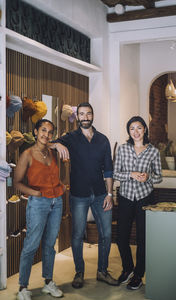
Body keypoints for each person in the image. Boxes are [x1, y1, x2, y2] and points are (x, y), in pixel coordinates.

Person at [52, 102, 119, 289]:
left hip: (100, 194)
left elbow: (108, 169)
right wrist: (57, 144)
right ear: (77, 117)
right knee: (77, 234)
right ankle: (79, 272)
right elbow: (47, 143)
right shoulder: (70, 138)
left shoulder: (103, 140)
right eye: (81, 114)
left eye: (88, 114)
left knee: (106, 234)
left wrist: (109, 193)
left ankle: (102, 271)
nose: (85, 117)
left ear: (92, 115)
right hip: (78, 194)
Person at [14, 119, 65, 300]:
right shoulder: (27, 154)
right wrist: (34, 192)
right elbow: (17, 182)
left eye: (50, 132)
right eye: (43, 130)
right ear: (36, 131)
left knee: (50, 245)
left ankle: (48, 282)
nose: (46, 135)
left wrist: (62, 186)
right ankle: (22, 287)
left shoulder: (52, 153)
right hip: (38, 203)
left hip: (56, 202)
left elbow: (55, 173)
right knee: (31, 245)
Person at [113, 116, 162, 290]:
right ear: (128, 131)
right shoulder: (123, 149)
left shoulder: (153, 152)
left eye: (139, 128)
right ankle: (128, 269)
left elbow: (159, 177)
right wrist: (131, 175)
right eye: (132, 128)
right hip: (126, 197)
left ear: (145, 130)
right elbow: (115, 173)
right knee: (121, 238)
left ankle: (139, 274)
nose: (136, 131)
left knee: (143, 239)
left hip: (145, 198)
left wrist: (149, 177)